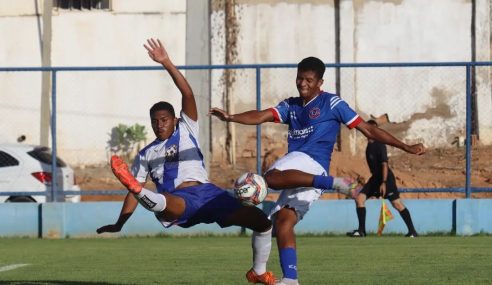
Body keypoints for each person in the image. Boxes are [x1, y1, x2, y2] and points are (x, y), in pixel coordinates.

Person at [209, 56, 425, 285]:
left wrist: (405, 146)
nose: (303, 83)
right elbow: (261, 115)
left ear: (320, 82)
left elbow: (368, 131)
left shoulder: (332, 104)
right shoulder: (291, 105)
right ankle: (290, 279)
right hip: (305, 171)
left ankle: (332, 183)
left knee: (270, 178)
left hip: (312, 162)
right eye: (299, 78)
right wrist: (231, 118)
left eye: (309, 80)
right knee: (282, 222)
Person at [97, 38, 277, 285]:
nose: (160, 125)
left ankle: (257, 272)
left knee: (263, 223)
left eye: (164, 120)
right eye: (155, 121)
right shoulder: (146, 154)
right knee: (162, 200)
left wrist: (166, 62)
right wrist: (120, 223)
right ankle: (141, 190)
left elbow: (187, 93)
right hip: (178, 200)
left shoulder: (187, 128)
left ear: (174, 119)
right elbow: (129, 198)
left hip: (209, 194)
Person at [347, 119, 419, 238]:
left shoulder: (379, 145)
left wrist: (384, 182)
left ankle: (412, 232)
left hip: (385, 179)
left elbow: (384, 164)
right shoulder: (369, 146)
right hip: (375, 178)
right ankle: (361, 231)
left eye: (375, 129)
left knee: (397, 204)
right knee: (360, 198)